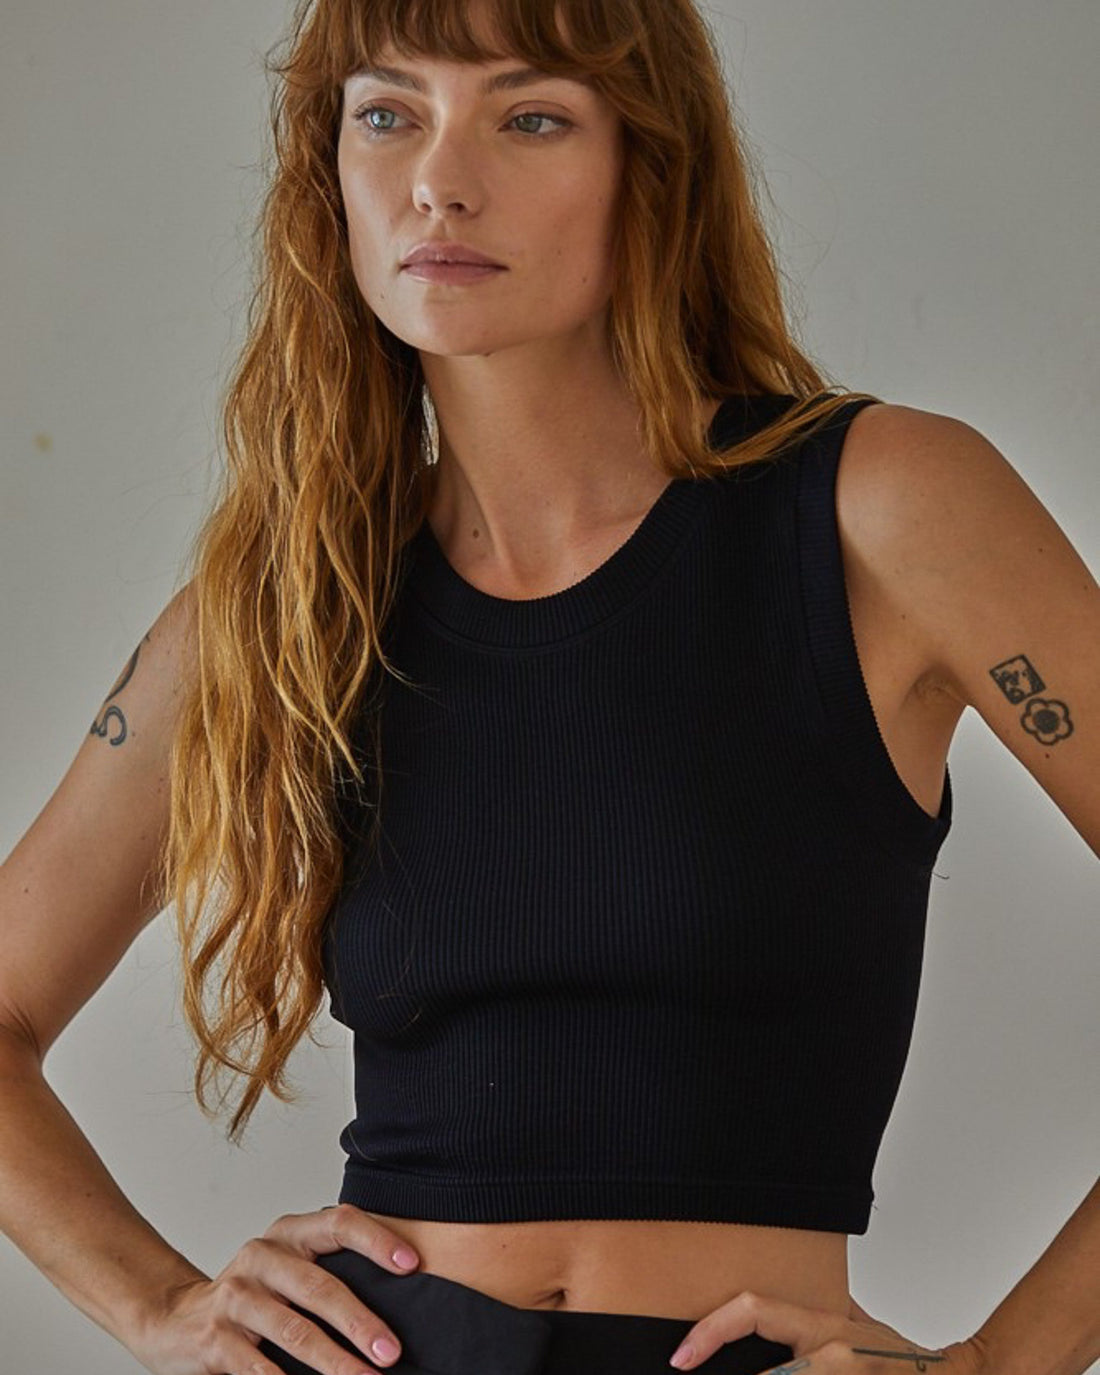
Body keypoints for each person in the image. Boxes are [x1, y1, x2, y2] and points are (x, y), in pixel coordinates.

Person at [1, 0, 1097, 1372]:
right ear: (327, 172)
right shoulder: (292, 602)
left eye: (530, 118)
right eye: (388, 114)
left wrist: (1001, 1365)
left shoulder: (880, 511)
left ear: (651, 167)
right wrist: (159, 1306)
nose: (439, 180)